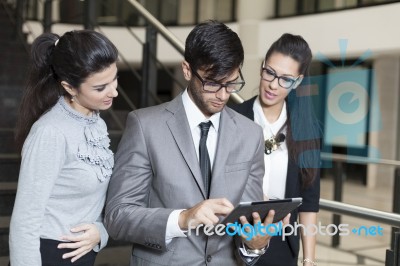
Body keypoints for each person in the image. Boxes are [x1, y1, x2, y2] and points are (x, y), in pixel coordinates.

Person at [104, 20, 288, 266]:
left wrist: (254, 246)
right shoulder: (145, 126)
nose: (223, 94)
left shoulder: (250, 134)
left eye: (231, 83)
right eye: (212, 83)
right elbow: (117, 216)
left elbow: (248, 223)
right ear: (187, 70)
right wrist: (182, 219)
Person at [9, 30, 119, 265]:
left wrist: (102, 232)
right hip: (48, 254)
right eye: (101, 87)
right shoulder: (51, 132)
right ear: (70, 87)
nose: (114, 92)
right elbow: (25, 222)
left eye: (114, 79)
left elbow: (97, 201)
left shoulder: (96, 122)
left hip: (80, 256)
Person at [231, 33, 321, 266]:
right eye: (269, 72)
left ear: (298, 81)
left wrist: (309, 259)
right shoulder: (233, 119)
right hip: (235, 239)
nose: (273, 84)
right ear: (262, 66)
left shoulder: (306, 129)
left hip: (283, 244)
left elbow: (309, 202)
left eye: (286, 79)